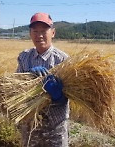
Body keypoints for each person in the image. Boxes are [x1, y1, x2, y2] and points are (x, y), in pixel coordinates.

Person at [16, 12, 69, 147]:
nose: (39, 35)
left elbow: (73, 95)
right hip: (30, 125)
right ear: (30, 33)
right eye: (35, 31)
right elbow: (15, 88)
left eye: (43, 31)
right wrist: (28, 78)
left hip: (55, 126)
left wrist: (59, 96)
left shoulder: (63, 60)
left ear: (53, 32)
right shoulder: (24, 57)